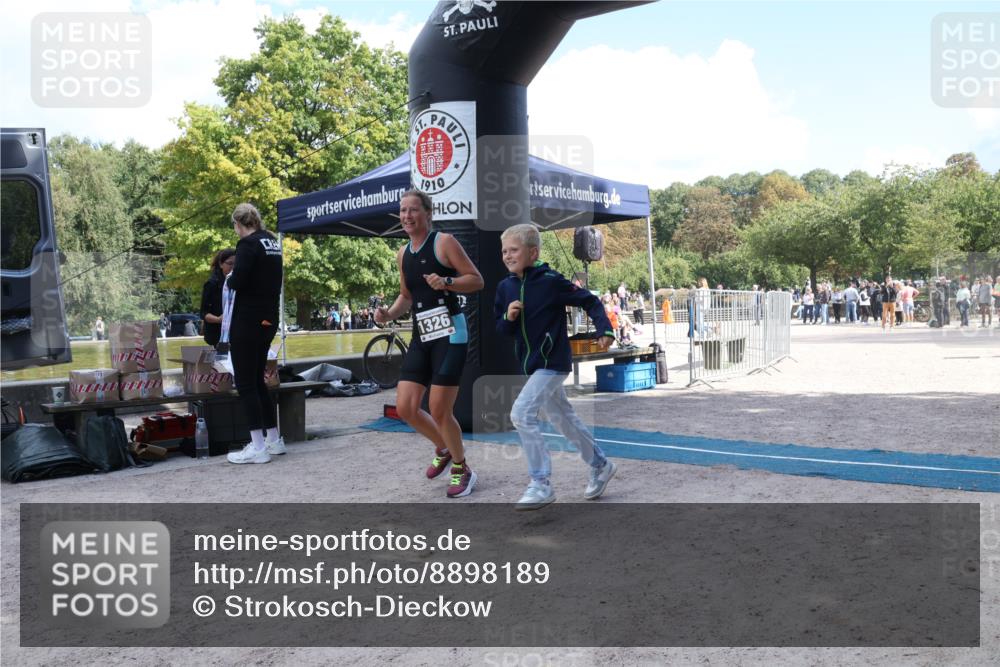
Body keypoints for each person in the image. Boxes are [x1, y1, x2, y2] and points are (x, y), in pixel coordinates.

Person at [494, 224, 617, 511]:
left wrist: (605, 330)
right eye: (504, 251)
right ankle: (601, 465)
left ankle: (541, 483)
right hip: (533, 366)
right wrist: (509, 317)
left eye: (514, 250)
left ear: (532, 252)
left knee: (521, 413)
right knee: (564, 420)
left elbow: (590, 301)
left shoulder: (551, 281)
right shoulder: (504, 287)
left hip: (553, 362)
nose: (507, 256)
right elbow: (502, 330)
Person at [374, 189, 484, 498]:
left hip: (451, 333)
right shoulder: (402, 253)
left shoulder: (444, 243)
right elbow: (407, 296)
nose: (407, 216)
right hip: (422, 335)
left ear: (427, 213)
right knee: (406, 408)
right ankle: (444, 447)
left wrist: (447, 281)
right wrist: (388, 315)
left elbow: (477, 280)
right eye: (403, 211)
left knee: (438, 409)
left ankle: (463, 469)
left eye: (413, 210)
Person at [225, 203, 285, 464]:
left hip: (248, 321)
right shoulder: (271, 242)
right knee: (259, 381)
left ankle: (257, 447)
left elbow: (238, 281)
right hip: (268, 319)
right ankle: (274, 440)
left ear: (239, 224)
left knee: (246, 383)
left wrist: (229, 276)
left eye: (235, 227)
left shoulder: (247, 245)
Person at [200, 248, 236, 347]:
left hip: (235, 334)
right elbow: (203, 313)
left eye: (236, 264)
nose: (233, 267)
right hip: (216, 334)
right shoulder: (211, 284)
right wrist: (218, 319)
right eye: (230, 263)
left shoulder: (239, 283)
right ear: (221, 264)